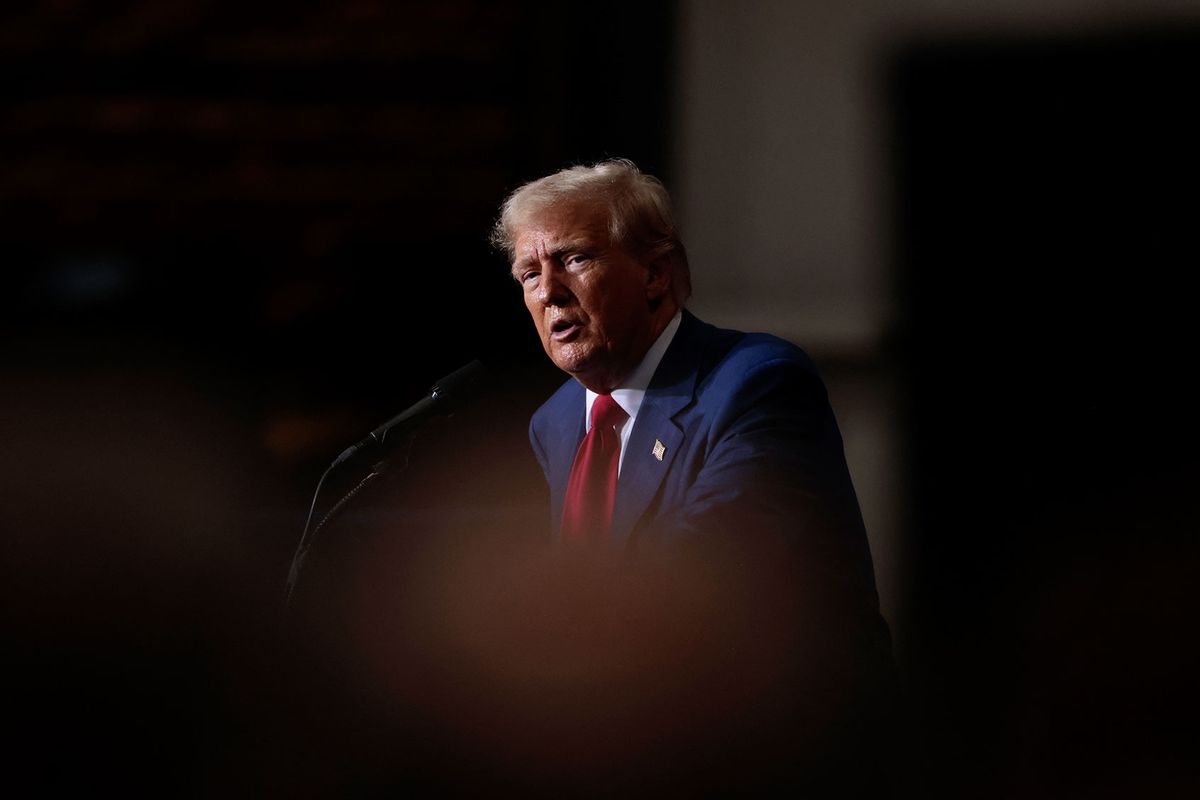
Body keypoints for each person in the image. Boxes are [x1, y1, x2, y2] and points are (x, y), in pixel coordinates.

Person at [490, 159, 895, 794]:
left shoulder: (756, 380)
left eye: (573, 259)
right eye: (527, 274)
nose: (547, 291)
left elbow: (706, 567)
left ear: (657, 275)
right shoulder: (556, 421)